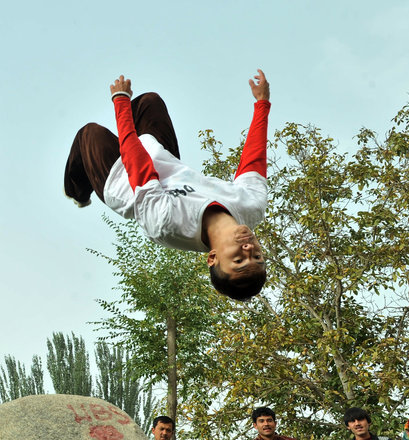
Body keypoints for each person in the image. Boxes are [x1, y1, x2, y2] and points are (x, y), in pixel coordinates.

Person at [63, 70, 271, 301]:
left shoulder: (168, 224)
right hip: (165, 159)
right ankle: (128, 126)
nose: (249, 249)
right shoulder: (251, 206)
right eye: (258, 257)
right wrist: (262, 103)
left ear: (212, 258)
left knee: (90, 133)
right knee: (150, 101)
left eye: (239, 260)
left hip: (122, 177)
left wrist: (120, 100)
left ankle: (78, 192)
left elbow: (138, 168)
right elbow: (254, 160)